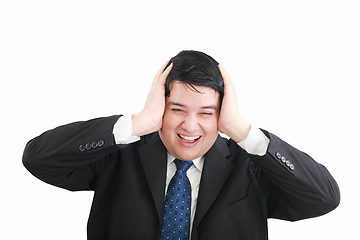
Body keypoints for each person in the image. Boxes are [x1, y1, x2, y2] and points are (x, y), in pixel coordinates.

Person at [23, 50, 340, 240]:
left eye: (207, 113)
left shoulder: (249, 167)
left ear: (222, 114)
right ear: (159, 105)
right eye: (177, 110)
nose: (190, 126)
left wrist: (244, 132)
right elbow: (38, 159)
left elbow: (323, 198)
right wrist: (135, 123)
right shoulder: (119, 157)